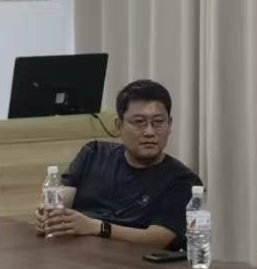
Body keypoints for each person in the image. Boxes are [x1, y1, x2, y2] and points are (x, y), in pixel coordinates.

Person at [39, 78, 202, 250]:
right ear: (119, 125)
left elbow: (158, 239)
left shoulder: (183, 180)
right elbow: (62, 200)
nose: (149, 132)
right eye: (139, 122)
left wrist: (97, 227)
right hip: (78, 255)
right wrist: (49, 216)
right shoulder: (93, 153)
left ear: (169, 125)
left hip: (138, 262)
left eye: (158, 122)